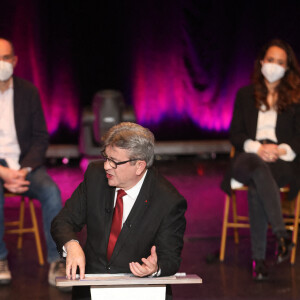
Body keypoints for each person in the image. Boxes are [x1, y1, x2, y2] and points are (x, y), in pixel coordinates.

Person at [51, 122, 187, 300]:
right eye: (106, 158)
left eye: (114, 162)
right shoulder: (95, 176)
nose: (107, 166)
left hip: (139, 290)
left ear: (139, 166)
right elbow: (62, 221)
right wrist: (71, 244)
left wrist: (155, 268)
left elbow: (170, 258)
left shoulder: (168, 201)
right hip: (91, 288)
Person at [221, 39, 300, 281]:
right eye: (271, 60)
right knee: (256, 166)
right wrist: (258, 147)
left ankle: (259, 260)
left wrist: (280, 149)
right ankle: (281, 234)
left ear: (287, 68)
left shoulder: (296, 99)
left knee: (258, 183)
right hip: (249, 156)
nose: (274, 66)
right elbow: (235, 134)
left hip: (280, 161)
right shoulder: (245, 94)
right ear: (262, 62)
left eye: (280, 62)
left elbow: (298, 138)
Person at [0, 37, 68, 289]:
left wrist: (21, 171)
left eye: (5, 57)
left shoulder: (28, 92)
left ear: (15, 61)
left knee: (51, 191)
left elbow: (41, 138)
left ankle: (58, 260)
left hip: (26, 165)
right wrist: (4, 173)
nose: (1, 63)